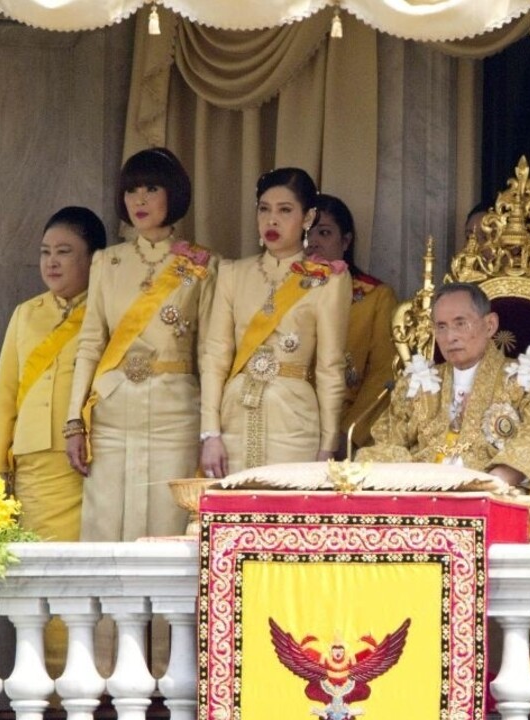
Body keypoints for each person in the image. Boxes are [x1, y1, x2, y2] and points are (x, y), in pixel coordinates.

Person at [64, 147, 218, 541]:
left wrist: (210, 428)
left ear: (173, 194)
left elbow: (210, 353)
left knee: (167, 524)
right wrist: (74, 421)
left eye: (151, 189)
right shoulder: (106, 261)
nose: (140, 200)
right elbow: (90, 344)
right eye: (131, 190)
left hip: (175, 412)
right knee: (103, 524)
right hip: (112, 411)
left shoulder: (202, 264)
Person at [199, 170, 352, 476]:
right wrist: (210, 433)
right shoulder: (232, 274)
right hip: (234, 417)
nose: (272, 220)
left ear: (308, 218)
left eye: (285, 210)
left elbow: (330, 367)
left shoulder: (328, 280)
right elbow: (215, 357)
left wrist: (328, 444)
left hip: (294, 418)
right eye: (264, 209)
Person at [357, 282, 530, 490]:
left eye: (460, 324)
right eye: (441, 327)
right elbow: (386, 444)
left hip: (490, 496)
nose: (450, 337)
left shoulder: (528, 380)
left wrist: (496, 480)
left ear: (490, 325)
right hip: (419, 495)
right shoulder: (415, 384)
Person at [0, 206, 107, 540]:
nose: (51, 262)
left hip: (86, 460)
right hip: (32, 463)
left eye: (63, 252)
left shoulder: (107, 312)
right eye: (45, 252)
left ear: (93, 259)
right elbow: (4, 397)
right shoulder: (26, 314)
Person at [306, 193, 399, 457]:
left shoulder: (376, 296)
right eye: (306, 233)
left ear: (346, 241)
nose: (313, 242)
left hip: (344, 426)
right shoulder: (281, 292)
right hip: (288, 423)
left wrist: (348, 434)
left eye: (324, 232)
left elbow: (384, 373)